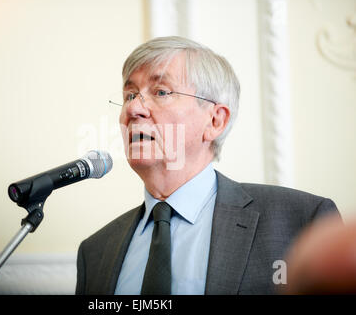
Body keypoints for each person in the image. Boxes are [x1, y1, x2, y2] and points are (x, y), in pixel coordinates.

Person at [75, 36, 340, 295]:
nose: (133, 109)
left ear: (215, 121)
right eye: (130, 95)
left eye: (161, 92)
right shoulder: (95, 252)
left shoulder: (302, 221)